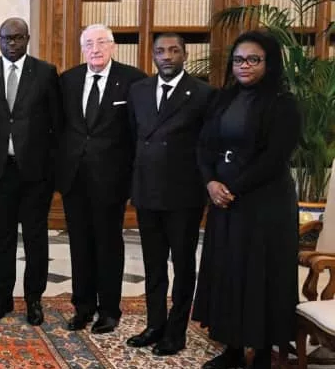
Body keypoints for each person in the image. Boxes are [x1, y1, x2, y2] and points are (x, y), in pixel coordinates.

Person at [192, 30, 301, 369]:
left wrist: (231, 187)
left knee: (261, 275)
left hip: (265, 206)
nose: (244, 66)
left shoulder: (283, 104)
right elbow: (204, 145)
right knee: (229, 272)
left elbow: (274, 158)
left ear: (269, 62)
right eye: (239, 60)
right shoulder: (222, 99)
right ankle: (234, 348)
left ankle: (264, 353)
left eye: (254, 59)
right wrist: (210, 182)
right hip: (225, 203)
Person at [125, 33, 215, 356]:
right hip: (147, 191)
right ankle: (154, 325)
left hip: (183, 195)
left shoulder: (203, 94)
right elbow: (133, 138)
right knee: (153, 264)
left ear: (185, 55)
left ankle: (176, 333)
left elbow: (208, 145)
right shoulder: (139, 91)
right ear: (152, 55)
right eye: (160, 51)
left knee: (182, 265)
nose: (167, 56)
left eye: (174, 51)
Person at [0, 18, 61, 326]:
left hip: (36, 172)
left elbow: (56, 125)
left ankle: (34, 298)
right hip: (0, 170)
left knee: (35, 236)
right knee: (3, 236)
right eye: (6, 38)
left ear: (27, 39)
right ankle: (3, 296)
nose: (12, 43)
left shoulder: (45, 73)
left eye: (18, 38)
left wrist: (53, 169)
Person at [57, 24, 145, 334]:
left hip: (111, 178)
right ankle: (83, 307)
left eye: (101, 43)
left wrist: (135, 178)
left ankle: (109, 310)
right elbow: (60, 128)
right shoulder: (67, 80)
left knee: (108, 243)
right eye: (89, 44)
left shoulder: (133, 80)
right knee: (79, 244)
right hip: (74, 177)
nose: (95, 49)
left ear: (113, 46)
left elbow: (139, 133)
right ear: (82, 49)